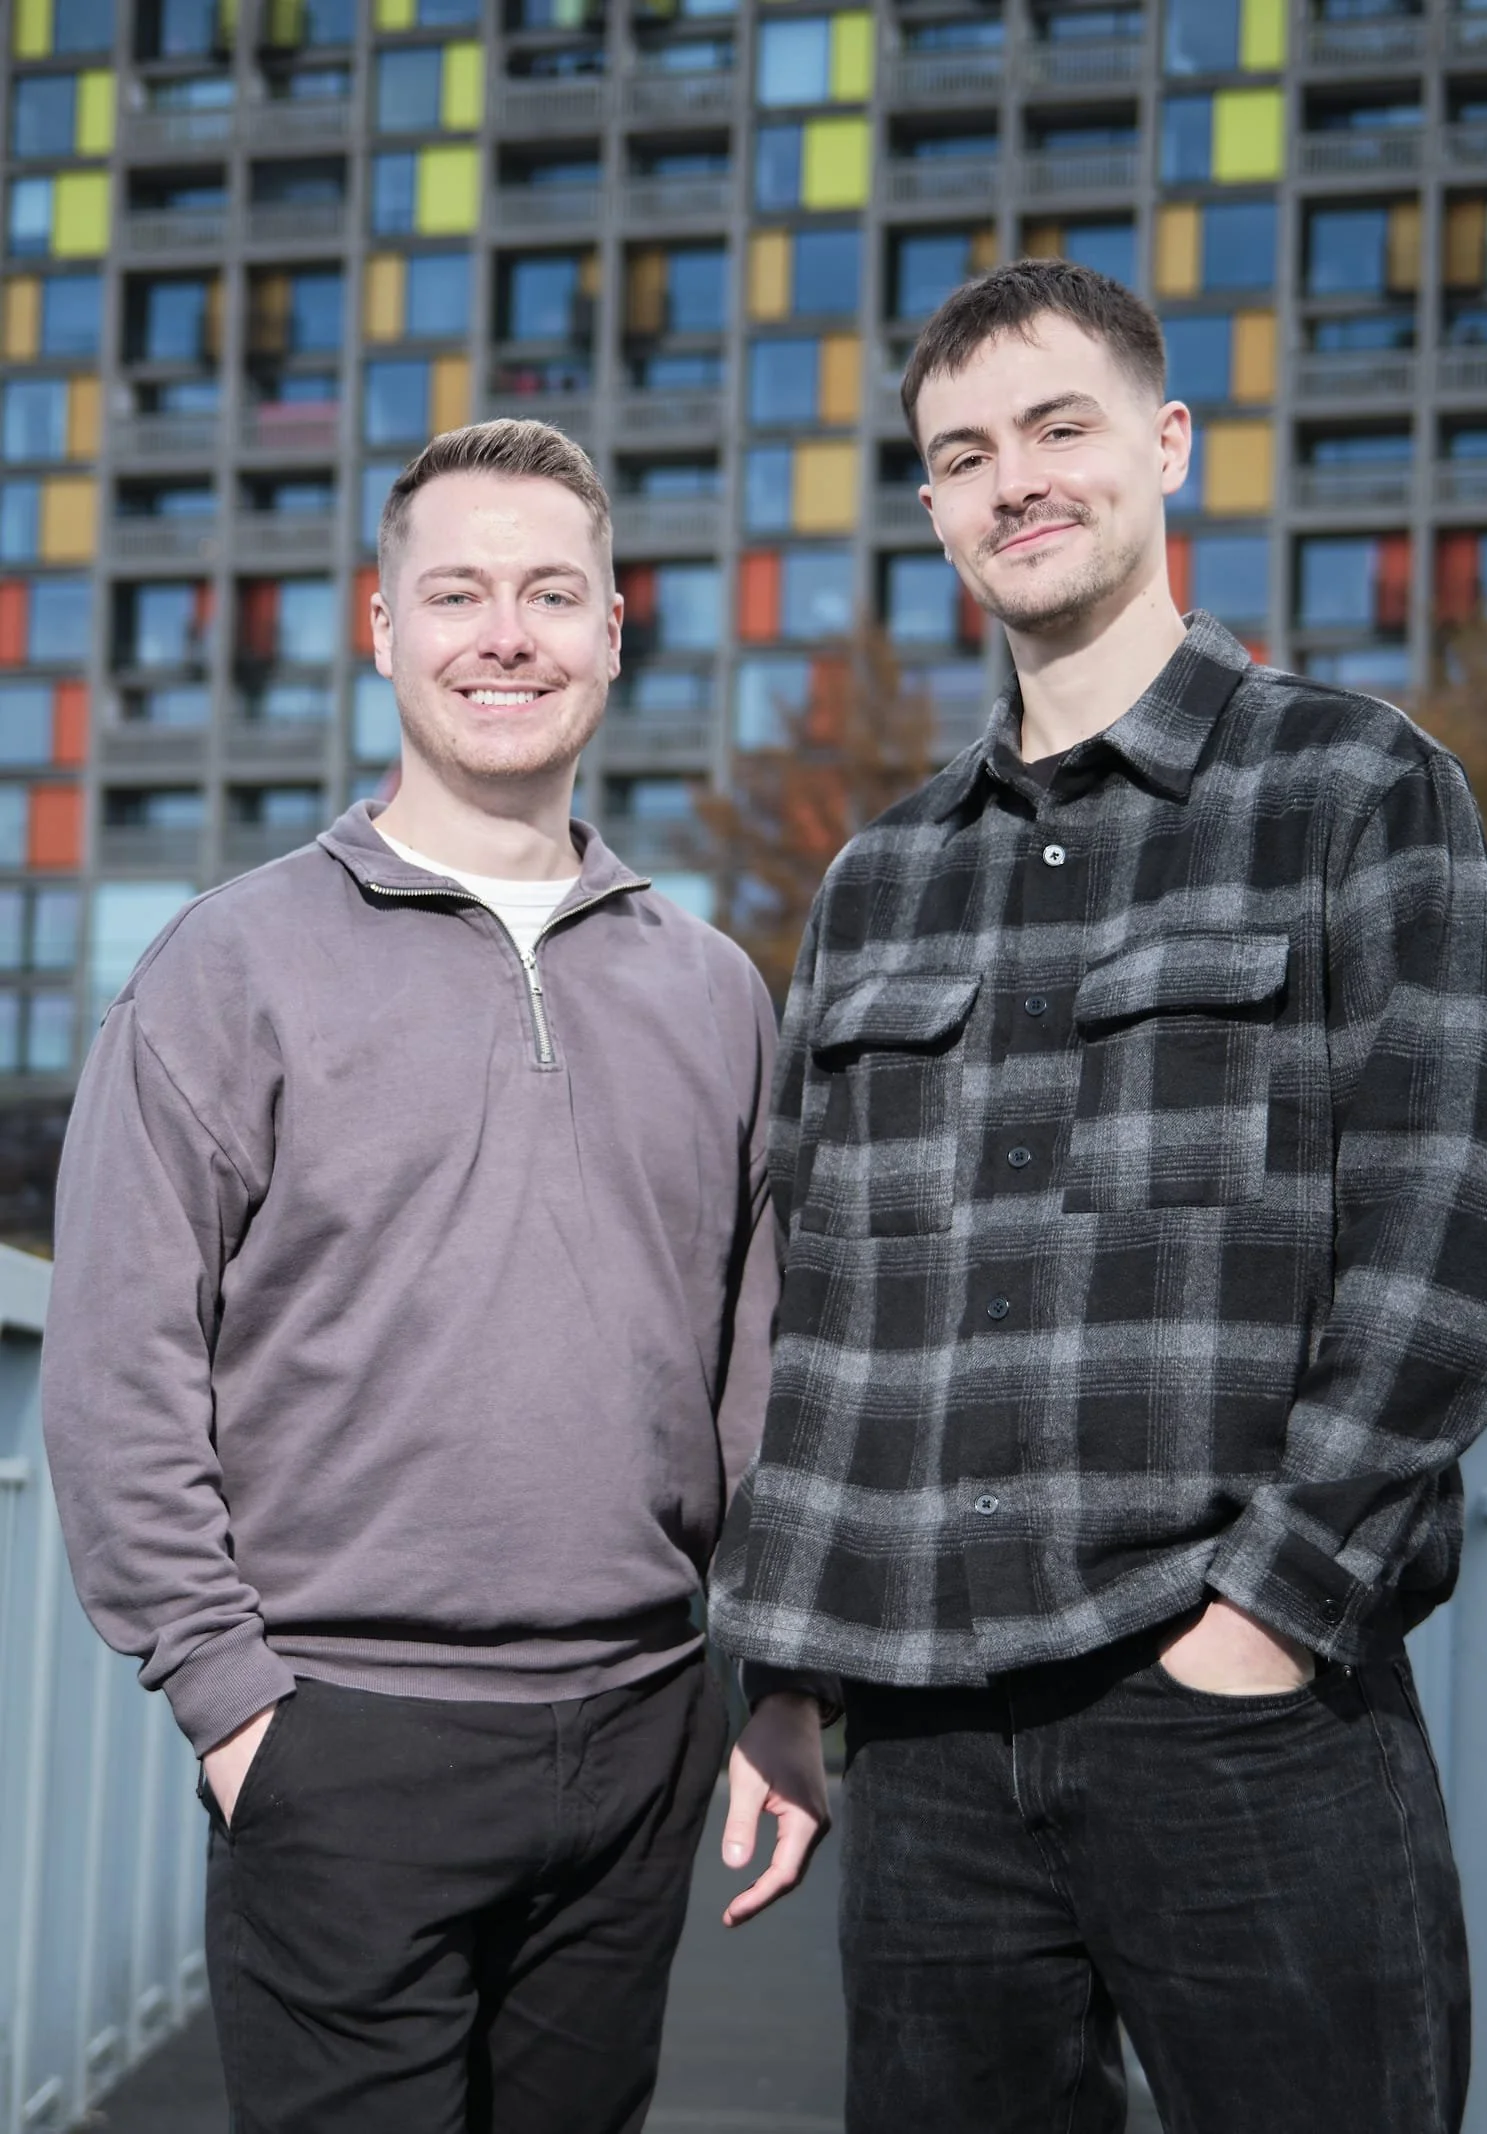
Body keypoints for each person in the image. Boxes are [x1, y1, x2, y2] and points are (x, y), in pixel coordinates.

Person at [710, 260, 1487, 2133]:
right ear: (930, 507)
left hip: (1244, 1695)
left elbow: (1459, 1214)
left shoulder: (1353, 790)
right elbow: (816, 1298)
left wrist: (1272, 1606)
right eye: (961, 454)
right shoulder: (875, 882)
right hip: (926, 1742)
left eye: (1058, 428)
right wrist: (790, 1675)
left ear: (1167, 446)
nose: (1013, 480)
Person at [42, 418, 828, 2134]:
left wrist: (779, 1682)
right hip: (338, 1741)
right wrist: (238, 1709)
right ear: (381, 625)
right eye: (456, 590)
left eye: (553, 593)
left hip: (639, 1739)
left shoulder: (713, 990)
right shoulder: (227, 965)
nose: (506, 633)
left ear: (616, 631)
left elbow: (756, 1370)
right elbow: (114, 1370)